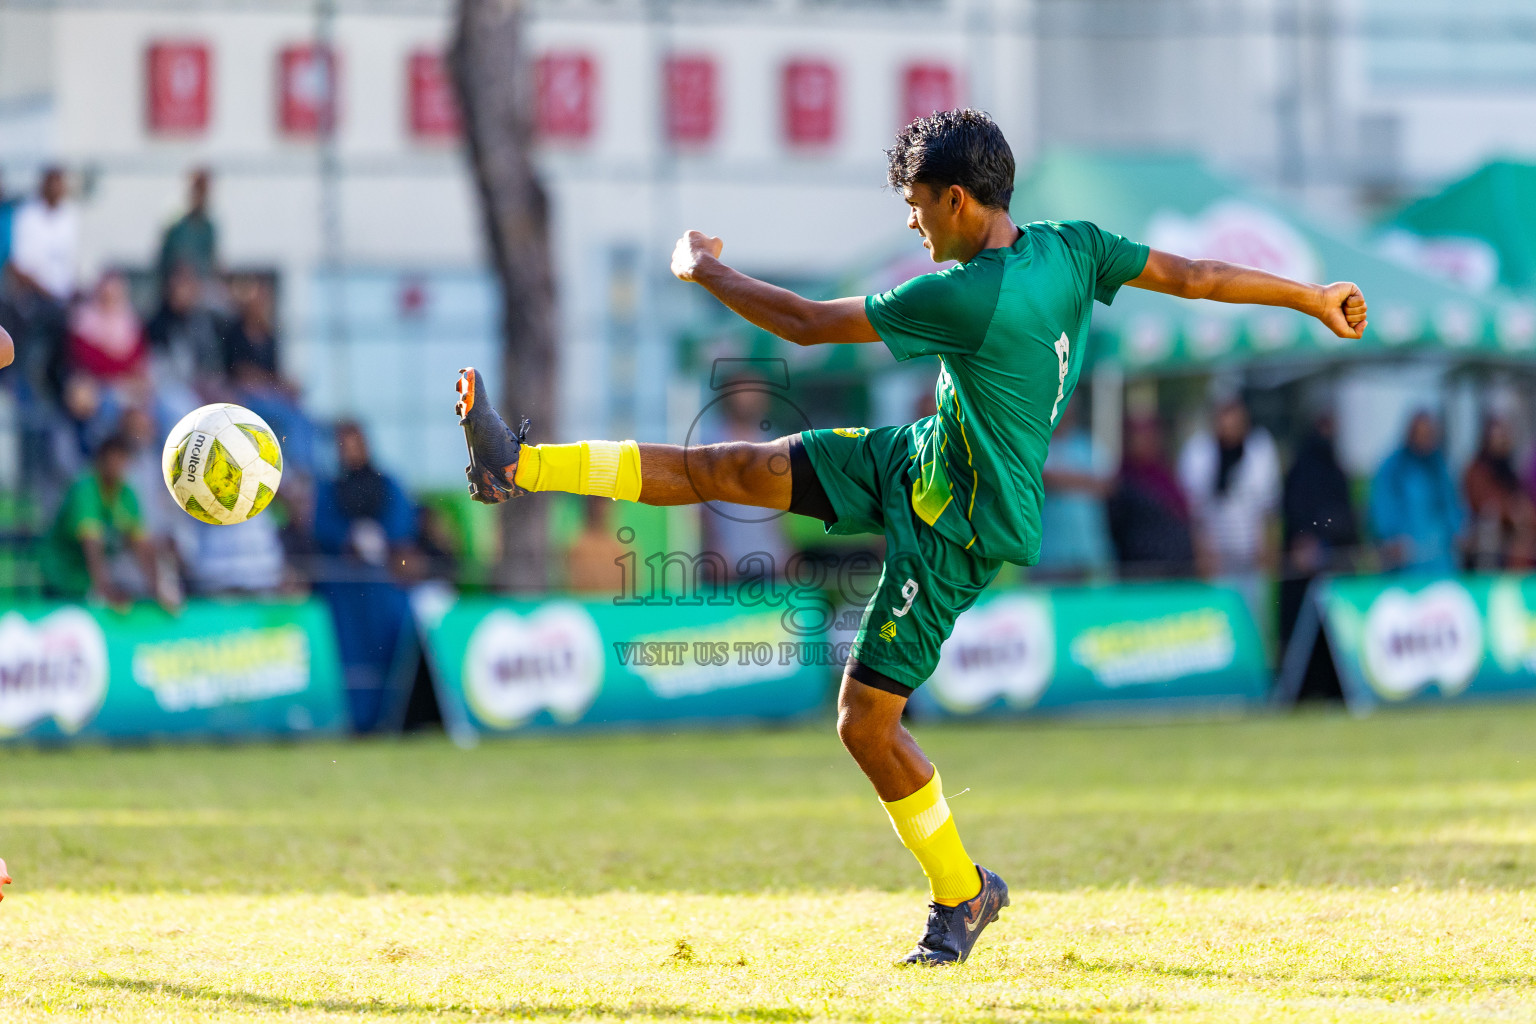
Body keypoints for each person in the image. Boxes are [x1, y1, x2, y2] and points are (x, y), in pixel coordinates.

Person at [452, 109, 1369, 966]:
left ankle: (963, 893)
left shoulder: (966, 295)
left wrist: (704, 270)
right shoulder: (1074, 247)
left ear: (958, 201)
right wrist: (1310, 295)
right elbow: (1196, 278)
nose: (912, 222)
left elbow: (808, 325)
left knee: (863, 723)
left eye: (916, 204)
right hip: (920, 459)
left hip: (957, 529)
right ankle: (518, 462)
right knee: (733, 468)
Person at [39, 432, 174, 609]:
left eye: (123, 460)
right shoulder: (85, 490)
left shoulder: (126, 494)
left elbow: (141, 546)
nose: (118, 466)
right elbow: (91, 544)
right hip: (60, 576)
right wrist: (105, 589)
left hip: (84, 580)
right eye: (113, 459)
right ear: (100, 460)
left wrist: (158, 591)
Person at [1177, 395, 1281, 616]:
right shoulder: (1199, 453)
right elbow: (1194, 513)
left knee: (1253, 617)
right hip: (1216, 559)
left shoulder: (1259, 451)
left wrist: (1268, 547)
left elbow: (1269, 508)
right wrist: (1201, 552)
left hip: (1251, 557)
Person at [1279, 412, 1359, 646]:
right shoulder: (1302, 471)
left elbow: (1344, 516)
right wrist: (1306, 537)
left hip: (1335, 562)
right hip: (1305, 568)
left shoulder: (1336, 471)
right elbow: (1296, 514)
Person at [1370, 410, 1463, 575]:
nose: (1426, 439)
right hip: (1406, 558)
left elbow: (1451, 503)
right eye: (1421, 434)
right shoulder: (1395, 467)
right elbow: (1383, 505)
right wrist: (1390, 536)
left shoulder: (1439, 466)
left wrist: (1458, 529)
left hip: (1440, 556)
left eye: (1429, 434)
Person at [1106, 413, 1197, 578]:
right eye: (1139, 437)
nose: (1145, 442)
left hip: (1179, 570)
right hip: (1141, 572)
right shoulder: (1123, 483)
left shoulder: (1167, 477)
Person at [1035, 402, 1112, 579]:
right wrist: (1085, 480)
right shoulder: (1038, 444)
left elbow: (1107, 485)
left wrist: (1059, 479)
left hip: (1089, 553)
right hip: (1047, 556)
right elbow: (1042, 479)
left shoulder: (1088, 444)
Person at [68, 271, 148, 390]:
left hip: (125, 385)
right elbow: (88, 359)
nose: (109, 301)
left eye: (114, 297)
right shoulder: (83, 320)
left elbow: (139, 355)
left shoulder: (130, 321)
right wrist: (121, 369)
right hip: (94, 384)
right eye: (106, 296)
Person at [157, 168, 218, 291]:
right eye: (197, 191)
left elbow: (212, 265)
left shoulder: (208, 229)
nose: (201, 198)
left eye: (204, 192)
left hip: (201, 290)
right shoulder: (177, 228)